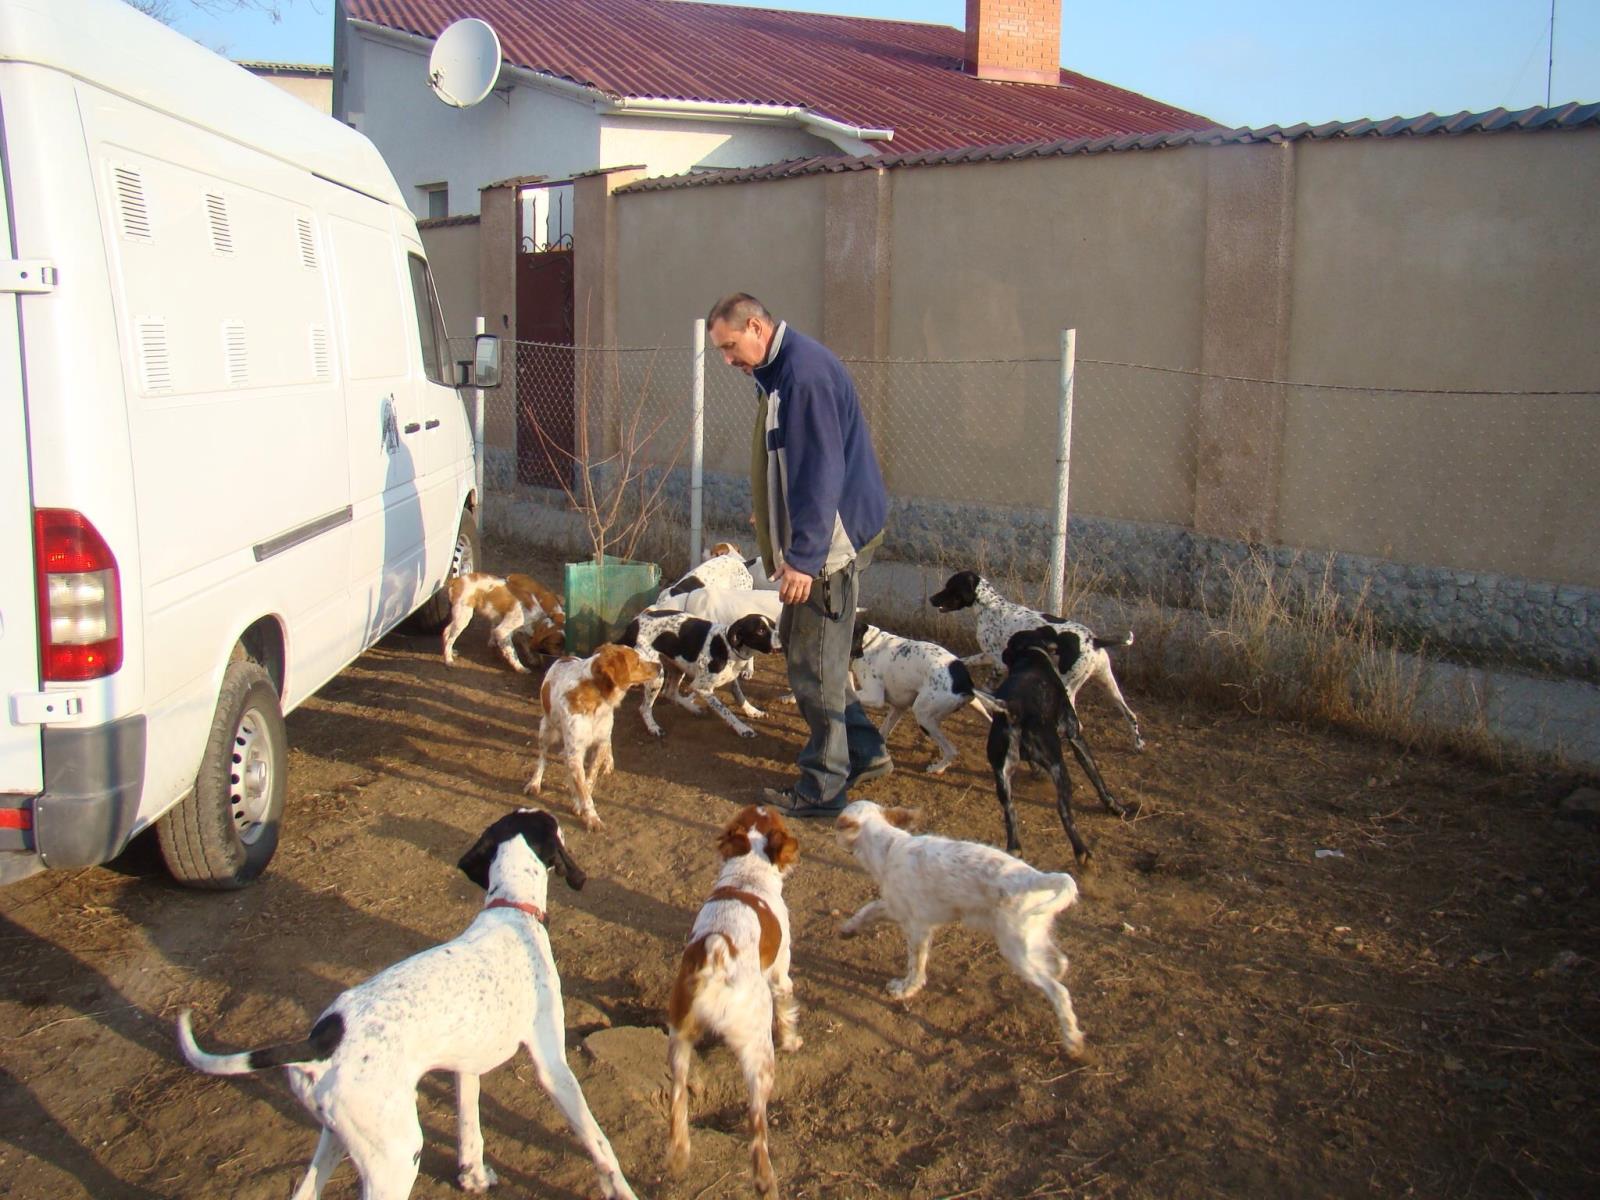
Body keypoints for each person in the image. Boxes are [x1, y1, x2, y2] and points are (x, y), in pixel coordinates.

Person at [707, 293, 892, 817]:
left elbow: (821, 472)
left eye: (729, 346)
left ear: (756, 327)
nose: (728, 360)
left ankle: (823, 787)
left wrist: (806, 559)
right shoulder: (778, 371)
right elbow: (792, 463)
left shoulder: (802, 376)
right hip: (822, 536)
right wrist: (772, 513)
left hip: (830, 546)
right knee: (802, 645)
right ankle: (865, 751)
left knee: (814, 665)